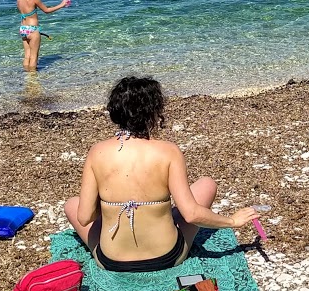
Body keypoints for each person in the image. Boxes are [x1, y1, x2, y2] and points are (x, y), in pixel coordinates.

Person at [64, 76, 258, 272]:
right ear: (154, 111)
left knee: (72, 204)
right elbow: (191, 214)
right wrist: (232, 221)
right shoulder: (168, 151)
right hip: (167, 257)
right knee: (206, 185)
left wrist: (111, 204)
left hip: (112, 261)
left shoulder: (97, 152)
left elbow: (85, 217)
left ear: (115, 111)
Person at [17, 0, 70, 72]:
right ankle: (32, 78)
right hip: (33, 30)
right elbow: (47, 10)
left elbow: (28, 1)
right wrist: (61, 5)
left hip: (23, 29)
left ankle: (25, 74)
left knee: (27, 55)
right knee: (34, 56)